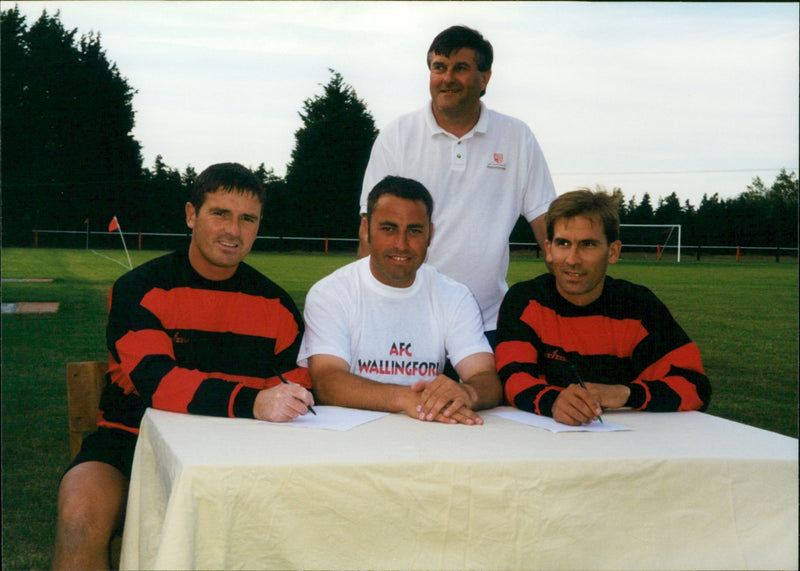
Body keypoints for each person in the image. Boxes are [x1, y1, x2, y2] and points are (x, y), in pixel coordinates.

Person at [52, 163, 315, 570]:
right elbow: (157, 384)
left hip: (242, 452)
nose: (233, 230)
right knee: (79, 511)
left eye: (248, 219)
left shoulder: (277, 306)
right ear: (192, 215)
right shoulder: (139, 289)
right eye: (220, 214)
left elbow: (297, 393)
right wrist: (255, 402)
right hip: (133, 444)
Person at [358, 25, 557, 340]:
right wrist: (368, 312)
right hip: (405, 319)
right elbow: (373, 233)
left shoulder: (517, 137)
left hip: (487, 323)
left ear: (485, 78)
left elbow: (550, 229)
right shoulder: (397, 135)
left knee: (484, 392)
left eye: (460, 68)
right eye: (439, 67)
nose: (447, 78)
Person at [495, 189, 711, 426]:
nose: (572, 259)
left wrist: (624, 393)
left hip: (625, 449)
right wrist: (555, 402)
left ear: (613, 251)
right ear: (548, 249)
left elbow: (695, 386)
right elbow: (511, 378)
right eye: (563, 243)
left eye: (587, 244)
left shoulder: (638, 307)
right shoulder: (526, 301)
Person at [301, 176, 502, 425]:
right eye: (388, 228)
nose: (401, 244)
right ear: (365, 230)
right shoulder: (331, 293)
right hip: (351, 439)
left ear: (430, 233)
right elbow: (327, 382)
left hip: (426, 434)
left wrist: (466, 393)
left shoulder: (454, 295)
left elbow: (486, 377)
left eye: (414, 231)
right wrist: (407, 399)